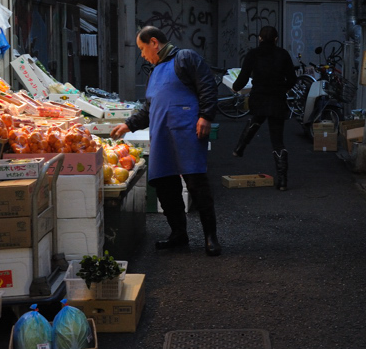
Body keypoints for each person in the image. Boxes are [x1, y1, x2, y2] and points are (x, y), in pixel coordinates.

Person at [110, 26, 222, 256]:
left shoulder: (185, 58)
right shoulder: (155, 71)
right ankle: (178, 234)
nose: (142, 54)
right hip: (162, 136)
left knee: (196, 185)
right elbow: (150, 107)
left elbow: (208, 86)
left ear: (154, 42)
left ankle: (211, 237)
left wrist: (206, 116)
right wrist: (128, 125)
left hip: (186, 131)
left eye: (142, 49)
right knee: (164, 185)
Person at [231, 26, 298, 191]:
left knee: (255, 120)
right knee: (277, 141)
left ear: (259, 38)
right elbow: (292, 79)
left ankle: (240, 147)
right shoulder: (282, 54)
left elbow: (243, 77)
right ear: (276, 39)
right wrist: (283, 88)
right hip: (277, 99)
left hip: (259, 97)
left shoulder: (253, 54)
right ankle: (282, 181)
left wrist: (235, 87)